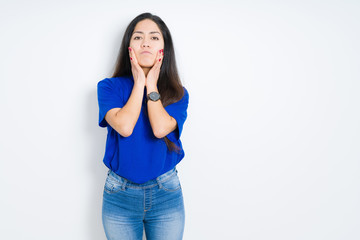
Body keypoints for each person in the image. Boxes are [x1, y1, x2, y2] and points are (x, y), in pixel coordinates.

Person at [97, 12, 189, 240]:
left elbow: (159, 129)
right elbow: (125, 127)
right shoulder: (108, 87)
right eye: (138, 37)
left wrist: (151, 85)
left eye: (154, 37)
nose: (145, 42)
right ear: (129, 47)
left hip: (166, 192)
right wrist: (139, 82)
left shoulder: (178, 93)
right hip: (120, 194)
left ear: (164, 49)